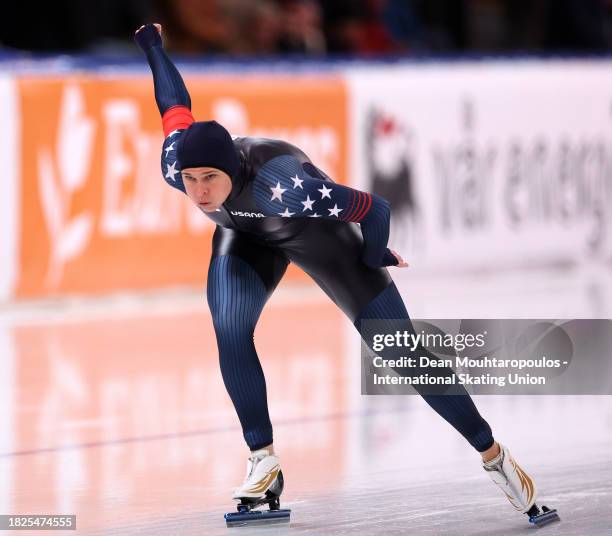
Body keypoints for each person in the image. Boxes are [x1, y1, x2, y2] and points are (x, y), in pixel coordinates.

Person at [134, 23, 557, 526]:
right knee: (229, 327)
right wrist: (153, 46)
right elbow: (173, 105)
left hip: (316, 234)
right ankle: (262, 461)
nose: (199, 191)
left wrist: (375, 255)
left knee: (403, 353)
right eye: (191, 181)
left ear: (232, 170)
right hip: (246, 237)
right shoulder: (174, 163)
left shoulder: (283, 186)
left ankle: (496, 458)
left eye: (210, 179)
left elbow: (374, 207)